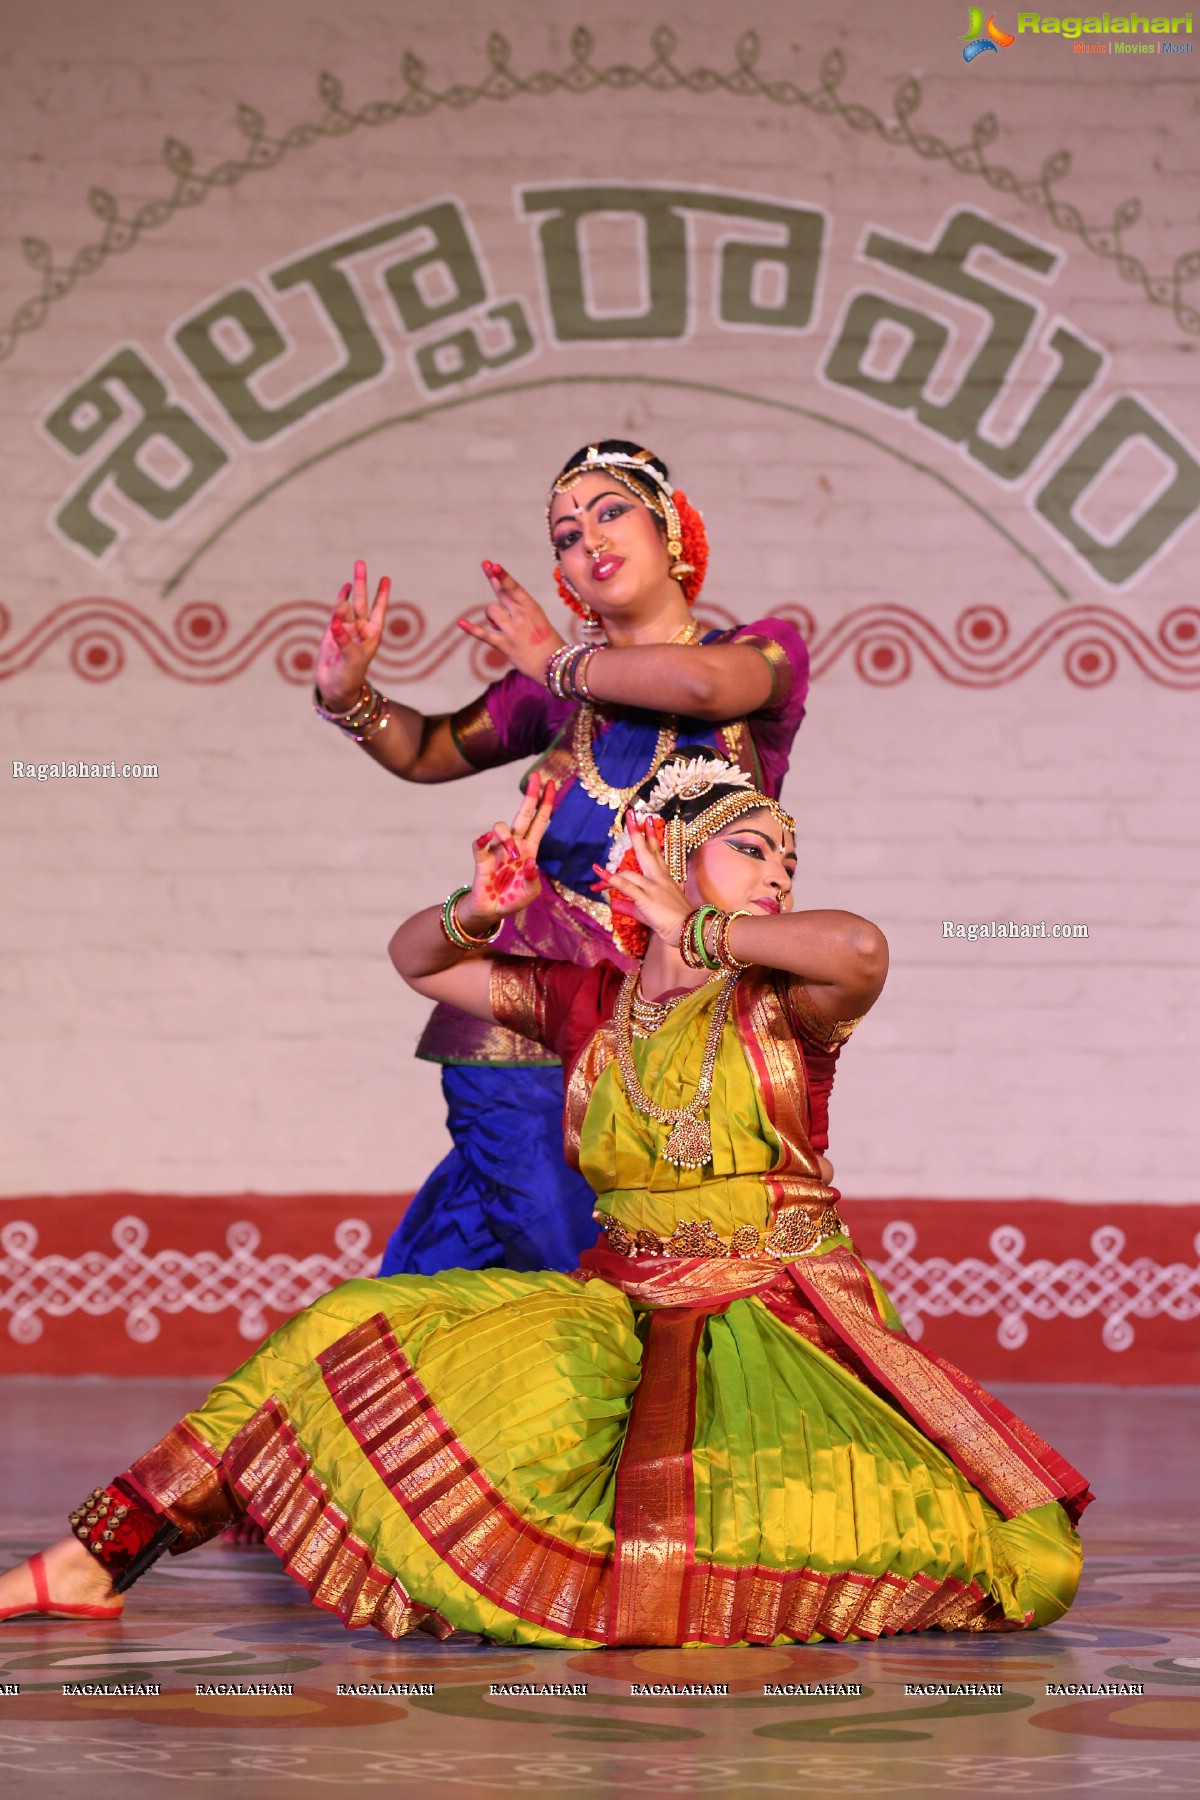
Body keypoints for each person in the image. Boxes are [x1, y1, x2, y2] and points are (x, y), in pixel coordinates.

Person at [0, 752, 1088, 1645]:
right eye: (752, 849)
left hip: (779, 1327)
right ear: (663, 852)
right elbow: (419, 963)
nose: (781, 874)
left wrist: (694, 928)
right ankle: (96, 1555)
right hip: (615, 1312)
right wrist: (477, 907)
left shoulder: (789, 1005)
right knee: (348, 1320)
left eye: (791, 858)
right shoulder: (589, 1004)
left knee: (955, 1554)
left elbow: (860, 946)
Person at [313, 440, 809, 1276]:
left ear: (671, 535)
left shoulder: (761, 655)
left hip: (682, 1032)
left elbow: (701, 690)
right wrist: (348, 697)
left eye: (611, 512)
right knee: (576, 1263)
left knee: (664, 1270)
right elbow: (429, 748)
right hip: (530, 1025)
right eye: (566, 535)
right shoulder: (555, 694)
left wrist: (554, 661)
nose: (589, 541)